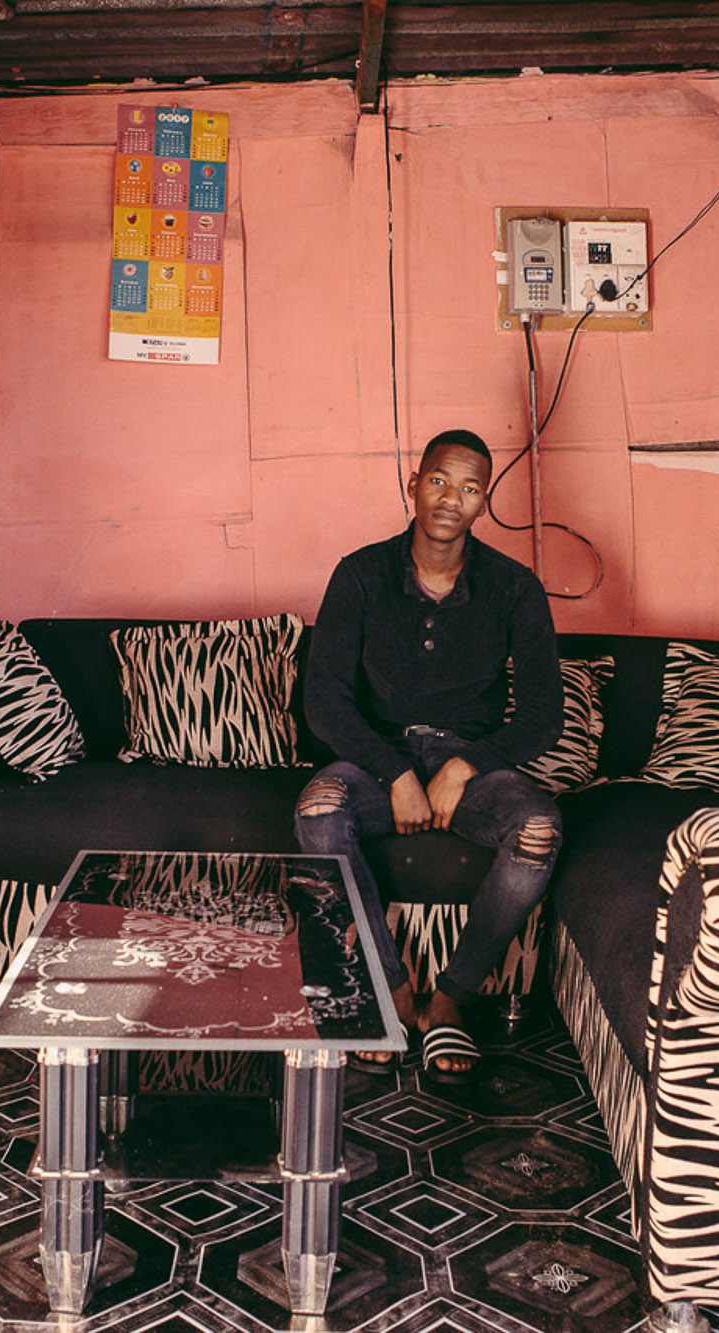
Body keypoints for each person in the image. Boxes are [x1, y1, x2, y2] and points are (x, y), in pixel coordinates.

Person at [295, 428, 564, 1084]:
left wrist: (462, 766)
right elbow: (324, 699)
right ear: (412, 484)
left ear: (483, 503)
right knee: (318, 811)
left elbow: (544, 713)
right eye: (440, 480)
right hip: (374, 759)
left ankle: (451, 998)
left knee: (539, 828)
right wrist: (395, 774)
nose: (452, 498)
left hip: (467, 765)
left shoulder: (514, 586)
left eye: (470, 488)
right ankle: (390, 991)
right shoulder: (361, 573)